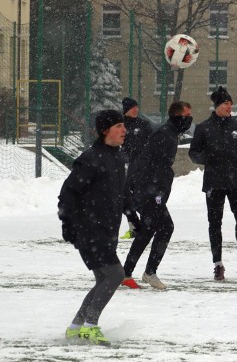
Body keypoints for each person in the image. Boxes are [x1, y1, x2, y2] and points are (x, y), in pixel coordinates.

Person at [57, 109, 139, 346]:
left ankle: (75, 328)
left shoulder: (119, 157)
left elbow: (122, 194)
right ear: (105, 131)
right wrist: (67, 223)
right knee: (115, 275)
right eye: (118, 127)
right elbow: (68, 192)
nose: (124, 130)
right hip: (88, 228)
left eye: (124, 126)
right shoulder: (91, 158)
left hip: (107, 229)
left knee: (104, 278)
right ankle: (90, 327)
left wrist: (133, 217)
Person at [121, 101, 193, 290]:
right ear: (178, 116)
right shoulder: (164, 134)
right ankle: (148, 272)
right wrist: (155, 193)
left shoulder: (170, 133)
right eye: (187, 116)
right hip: (148, 190)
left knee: (148, 230)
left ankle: (127, 272)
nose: (189, 120)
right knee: (166, 227)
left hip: (149, 189)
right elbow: (150, 165)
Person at [189, 87, 237, 281]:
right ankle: (218, 264)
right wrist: (207, 157)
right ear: (217, 105)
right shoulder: (203, 128)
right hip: (213, 182)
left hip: (235, 181)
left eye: (231, 103)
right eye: (226, 103)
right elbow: (194, 153)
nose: (229, 106)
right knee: (215, 223)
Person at [120, 97, 154, 239]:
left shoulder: (144, 125)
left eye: (137, 107)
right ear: (126, 109)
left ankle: (148, 224)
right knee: (124, 199)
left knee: (142, 197)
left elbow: (152, 143)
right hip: (124, 168)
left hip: (142, 168)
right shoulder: (119, 126)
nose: (136, 110)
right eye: (133, 107)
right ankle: (134, 227)